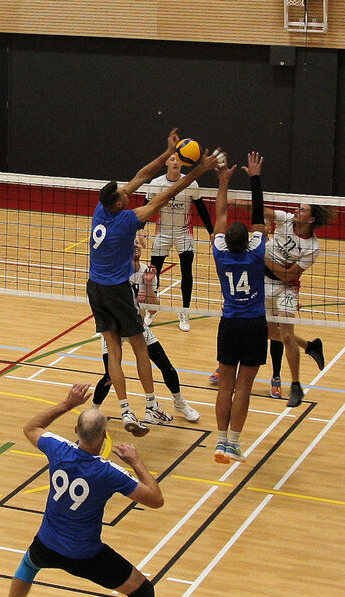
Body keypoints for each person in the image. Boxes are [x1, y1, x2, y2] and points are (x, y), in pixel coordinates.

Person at [0, 383, 184, 597]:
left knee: (29, 564)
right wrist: (136, 461)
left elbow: (31, 427)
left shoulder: (57, 449)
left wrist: (67, 404)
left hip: (48, 543)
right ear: (105, 437)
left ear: (75, 431)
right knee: (143, 591)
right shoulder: (109, 473)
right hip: (86, 555)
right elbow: (155, 499)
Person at [91, 130, 215, 436]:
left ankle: (125, 410)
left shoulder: (101, 210)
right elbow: (167, 194)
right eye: (122, 194)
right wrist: (200, 170)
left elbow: (142, 175)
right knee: (139, 346)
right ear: (118, 204)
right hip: (117, 290)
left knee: (113, 352)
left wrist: (168, 152)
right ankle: (151, 406)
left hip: (94, 288)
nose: (127, 192)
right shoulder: (127, 220)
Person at [91, 234, 200, 423]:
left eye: (137, 243)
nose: (136, 246)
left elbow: (153, 308)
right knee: (109, 375)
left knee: (166, 366)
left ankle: (179, 403)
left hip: (137, 327)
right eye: (131, 243)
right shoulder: (116, 272)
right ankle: (92, 412)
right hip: (115, 328)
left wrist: (148, 284)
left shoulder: (146, 271)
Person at [210, 152, 270, 463]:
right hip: (254, 324)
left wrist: (223, 183)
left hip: (230, 324)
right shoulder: (256, 251)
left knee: (226, 386)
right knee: (244, 387)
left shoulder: (220, 252)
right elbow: (259, 216)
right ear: (248, 240)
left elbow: (220, 214)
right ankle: (233, 444)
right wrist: (255, 178)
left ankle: (220, 442)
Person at [262, 199, 331, 407]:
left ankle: (295, 386)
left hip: (288, 287)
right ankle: (310, 346)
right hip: (263, 281)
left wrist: (261, 255)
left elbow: (287, 276)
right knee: (266, 332)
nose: (296, 210)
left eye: (302, 210)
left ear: (311, 219)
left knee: (285, 334)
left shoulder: (312, 247)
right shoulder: (285, 219)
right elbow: (260, 210)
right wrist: (233, 199)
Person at [143, 152, 214, 332]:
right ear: (166, 162)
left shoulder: (191, 183)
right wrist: (140, 228)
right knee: (154, 273)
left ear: (183, 163)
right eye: (172, 159)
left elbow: (202, 209)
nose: (175, 162)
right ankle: (152, 309)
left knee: (186, 272)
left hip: (184, 233)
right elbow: (146, 207)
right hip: (162, 233)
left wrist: (212, 232)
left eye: (178, 160)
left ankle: (185, 312)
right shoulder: (156, 183)